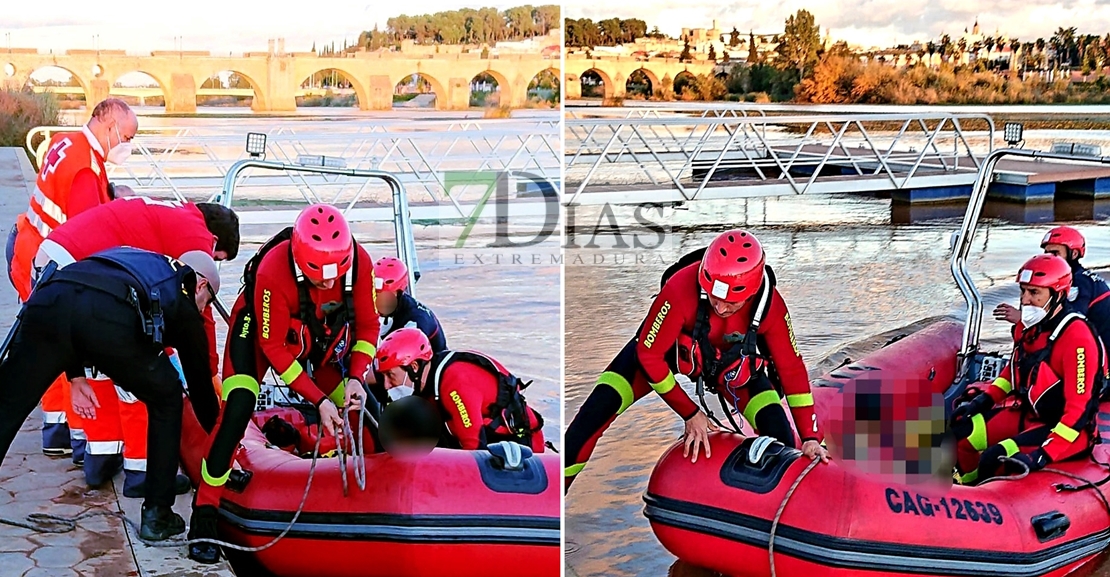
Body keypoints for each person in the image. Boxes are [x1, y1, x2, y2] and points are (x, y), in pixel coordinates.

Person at [563, 229, 830, 493]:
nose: (721, 308)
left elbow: (792, 369)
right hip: (668, 356)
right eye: (714, 297)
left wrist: (809, 436)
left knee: (782, 440)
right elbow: (649, 356)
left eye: (732, 303)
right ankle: (556, 502)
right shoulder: (680, 287)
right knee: (586, 424)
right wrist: (690, 413)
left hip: (731, 367)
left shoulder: (771, 306)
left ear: (751, 293)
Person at [188, 204, 380, 564]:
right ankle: (204, 513)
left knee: (367, 413)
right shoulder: (276, 270)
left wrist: (355, 377)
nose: (327, 283)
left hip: (318, 336)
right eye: (319, 278)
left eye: (333, 277)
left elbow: (368, 328)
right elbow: (272, 346)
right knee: (238, 408)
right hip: (258, 333)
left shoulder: (361, 264)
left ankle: (376, 502)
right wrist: (318, 400)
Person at [0, 247, 221, 542]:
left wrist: (74, 372)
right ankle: (157, 513)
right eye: (205, 304)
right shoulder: (181, 295)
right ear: (201, 285)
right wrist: (223, 439)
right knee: (167, 396)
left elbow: (77, 302)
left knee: (8, 405)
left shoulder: (140, 259)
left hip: (48, 297)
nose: (202, 312)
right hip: (104, 316)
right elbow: (201, 391)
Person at [36, 196, 239, 494]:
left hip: (52, 268)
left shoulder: (167, 215)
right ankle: (143, 475)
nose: (213, 264)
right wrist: (209, 374)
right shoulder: (196, 238)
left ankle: (94, 456)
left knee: (97, 373)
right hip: (78, 279)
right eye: (217, 258)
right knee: (148, 380)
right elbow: (197, 314)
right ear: (214, 239)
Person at [4, 98, 138, 460]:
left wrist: (110, 197)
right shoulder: (85, 169)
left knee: (43, 339)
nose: (127, 145)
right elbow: (87, 235)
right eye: (126, 136)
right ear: (109, 125)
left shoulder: (66, 141)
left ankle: (55, 429)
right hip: (48, 263)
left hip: (28, 248)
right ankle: (80, 435)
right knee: (65, 341)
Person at [953, 254, 1108, 485]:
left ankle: (978, 498)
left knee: (994, 457)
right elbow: (1011, 374)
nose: (1025, 300)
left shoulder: (1077, 337)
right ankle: (963, 487)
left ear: (1058, 295)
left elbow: (1079, 411)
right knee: (961, 433)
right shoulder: (1027, 329)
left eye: (1034, 293)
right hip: (1031, 415)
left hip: (1068, 430)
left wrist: (1044, 456)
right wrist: (982, 402)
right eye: (1023, 291)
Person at [375, 327, 546, 453]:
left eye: (390, 375)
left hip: (522, 448)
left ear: (413, 366)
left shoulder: (455, 384)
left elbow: (475, 448)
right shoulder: (426, 381)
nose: (386, 385)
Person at [995, 226, 1109, 345]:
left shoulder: (1080, 282)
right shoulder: (1083, 277)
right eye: (1047, 253)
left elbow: (1069, 323)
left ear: (1074, 254)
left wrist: (1022, 318)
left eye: (1055, 253)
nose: (1049, 257)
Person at [370, 256, 447, 402]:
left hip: (426, 377)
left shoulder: (415, 322)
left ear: (398, 293)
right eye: (374, 296)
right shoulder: (391, 309)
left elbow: (402, 365)